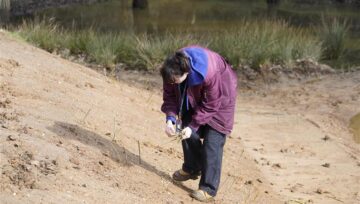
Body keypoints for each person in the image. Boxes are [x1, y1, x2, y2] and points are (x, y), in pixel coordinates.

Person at [160, 45, 237, 202]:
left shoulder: (208, 71)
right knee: (185, 126)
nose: (172, 83)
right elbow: (169, 96)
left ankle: (208, 189)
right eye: (170, 81)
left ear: (186, 73)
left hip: (222, 96)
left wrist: (194, 127)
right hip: (194, 93)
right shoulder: (171, 71)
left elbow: (212, 104)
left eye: (175, 81)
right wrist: (170, 118)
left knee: (212, 141)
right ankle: (192, 167)